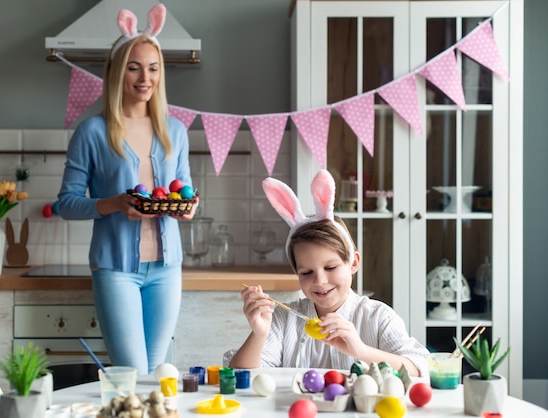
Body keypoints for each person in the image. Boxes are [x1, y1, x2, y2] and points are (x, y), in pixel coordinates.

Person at [57, 4, 197, 375]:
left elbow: (184, 189)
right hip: (115, 269)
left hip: (167, 269)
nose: (144, 78)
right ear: (117, 72)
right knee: (132, 373)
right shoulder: (92, 132)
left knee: (156, 373)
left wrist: (187, 207)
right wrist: (114, 204)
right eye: (134, 67)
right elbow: (66, 204)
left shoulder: (175, 131)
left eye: (153, 68)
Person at [224, 170, 428, 377]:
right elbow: (238, 377)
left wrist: (360, 350)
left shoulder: (378, 317)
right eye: (306, 272)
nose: (320, 281)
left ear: (353, 263)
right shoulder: (283, 318)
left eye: (330, 268)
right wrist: (259, 334)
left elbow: (418, 369)